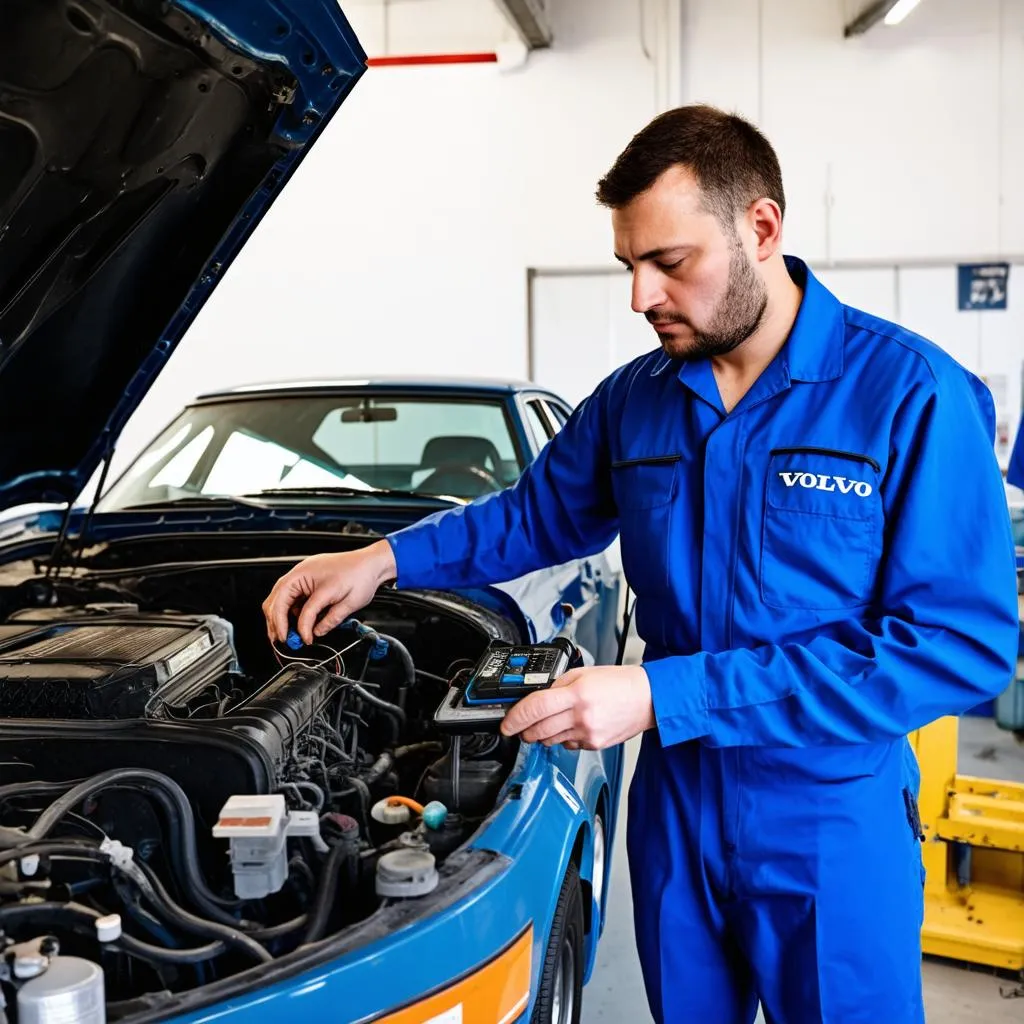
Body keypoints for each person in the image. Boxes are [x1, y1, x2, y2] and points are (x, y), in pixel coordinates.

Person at [263, 105, 1019, 1023]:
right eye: (629, 265)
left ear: (762, 228)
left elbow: (956, 645)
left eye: (670, 262)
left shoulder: (910, 394)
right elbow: (536, 517)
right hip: (677, 807)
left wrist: (663, 695)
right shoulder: (637, 401)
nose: (641, 297)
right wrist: (382, 559)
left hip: (831, 811)